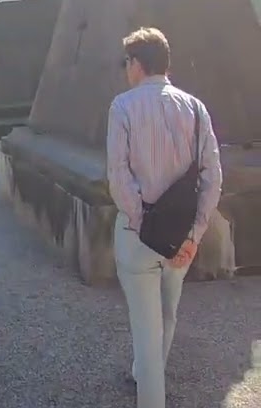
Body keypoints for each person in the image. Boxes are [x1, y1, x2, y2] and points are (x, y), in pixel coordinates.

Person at [107, 27, 223, 408]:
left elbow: (119, 178)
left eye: (126, 62)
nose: (126, 68)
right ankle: (146, 373)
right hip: (182, 234)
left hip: (138, 234)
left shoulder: (122, 107)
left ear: (137, 64)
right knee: (168, 313)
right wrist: (194, 235)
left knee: (146, 329)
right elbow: (212, 178)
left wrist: (144, 224)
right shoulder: (196, 108)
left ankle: (149, 392)